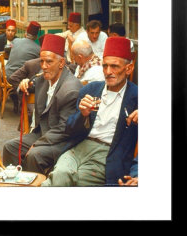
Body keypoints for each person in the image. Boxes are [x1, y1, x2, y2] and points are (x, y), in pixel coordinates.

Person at [42, 36, 138, 186]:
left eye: (114, 66)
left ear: (129, 68)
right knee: (62, 173)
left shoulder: (137, 97)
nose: (108, 71)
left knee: (67, 181)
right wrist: (83, 115)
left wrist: (137, 174)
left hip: (108, 153)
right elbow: (70, 130)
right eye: (105, 66)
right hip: (79, 147)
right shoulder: (90, 90)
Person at [2, 34, 83, 174]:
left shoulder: (71, 89)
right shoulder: (44, 78)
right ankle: (16, 183)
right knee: (10, 147)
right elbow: (28, 87)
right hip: (43, 132)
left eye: (49, 62)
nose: (44, 66)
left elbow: (64, 129)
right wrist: (23, 84)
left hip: (63, 140)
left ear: (62, 63)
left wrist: (37, 144)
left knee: (34, 155)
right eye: (41, 61)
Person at [5, 21, 41, 113]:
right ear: (36, 37)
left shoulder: (15, 41)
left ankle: (16, 101)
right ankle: (24, 104)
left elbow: (7, 48)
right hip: (19, 79)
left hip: (6, 74)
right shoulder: (38, 49)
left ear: (25, 34)